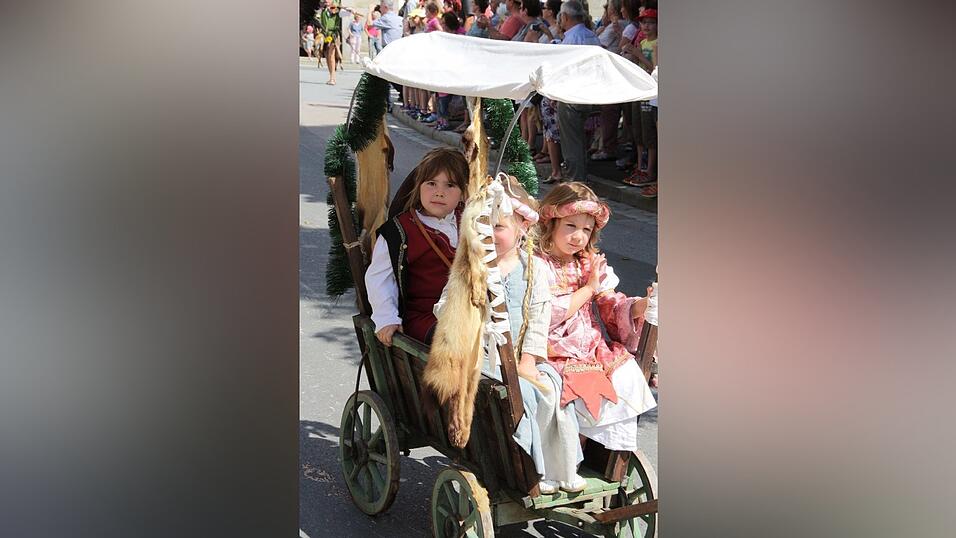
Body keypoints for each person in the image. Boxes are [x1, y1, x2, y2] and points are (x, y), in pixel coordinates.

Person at [534, 182, 657, 460]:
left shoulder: (589, 263)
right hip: (551, 347)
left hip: (589, 344)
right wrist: (587, 290)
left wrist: (640, 306)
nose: (578, 236)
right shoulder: (536, 264)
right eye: (570, 226)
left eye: (586, 229)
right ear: (551, 222)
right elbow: (545, 315)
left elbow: (610, 304)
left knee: (626, 376)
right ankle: (564, 457)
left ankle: (603, 456)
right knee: (575, 390)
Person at [365, 148, 471, 345]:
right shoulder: (399, 231)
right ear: (419, 186)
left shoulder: (470, 221)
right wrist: (386, 318)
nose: (439, 192)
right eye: (431, 183)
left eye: (450, 185)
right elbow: (379, 278)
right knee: (455, 338)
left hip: (469, 312)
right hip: (425, 317)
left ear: (463, 192)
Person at [548, 1, 601, 183]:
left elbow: (565, 71)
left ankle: (576, 180)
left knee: (572, 142)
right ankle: (580, 178)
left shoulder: (572, 38)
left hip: (572, 95)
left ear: (565, 17)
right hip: (588, 93)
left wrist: (556, 94)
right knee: (579, 140)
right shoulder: (591, 35)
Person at [620, 8, 657, 192]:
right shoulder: (641, 42)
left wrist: (639, 54)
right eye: (643, 22)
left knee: (649, 132)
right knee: (638, 130)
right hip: (639, 90)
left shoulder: (658, 43)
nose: (646, 26)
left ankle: (649, 170)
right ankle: (640, 167)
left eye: (650, 22)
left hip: (651, 93)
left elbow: (655, 68)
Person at [316, 0, 343, 85]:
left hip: (333, 34)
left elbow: (346, 14)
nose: (326, 0)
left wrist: (350, 10)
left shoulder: (336, 10)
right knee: (327, 55)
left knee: (331, 55)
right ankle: (331, 74)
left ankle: (332, 78)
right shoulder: (323, 10)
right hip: (325, 34)